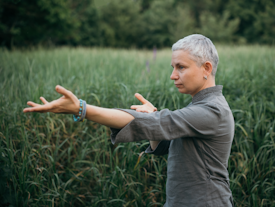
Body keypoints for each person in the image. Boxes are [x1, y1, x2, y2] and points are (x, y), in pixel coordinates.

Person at [23, 34, 234, 207]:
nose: (172, 75)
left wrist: (82, 109)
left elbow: (160, 123)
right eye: (173, 67)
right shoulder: (199, 106)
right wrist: (153, 121)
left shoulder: (212, 111)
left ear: (206, 68)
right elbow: (165, 142)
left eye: (181, 67)